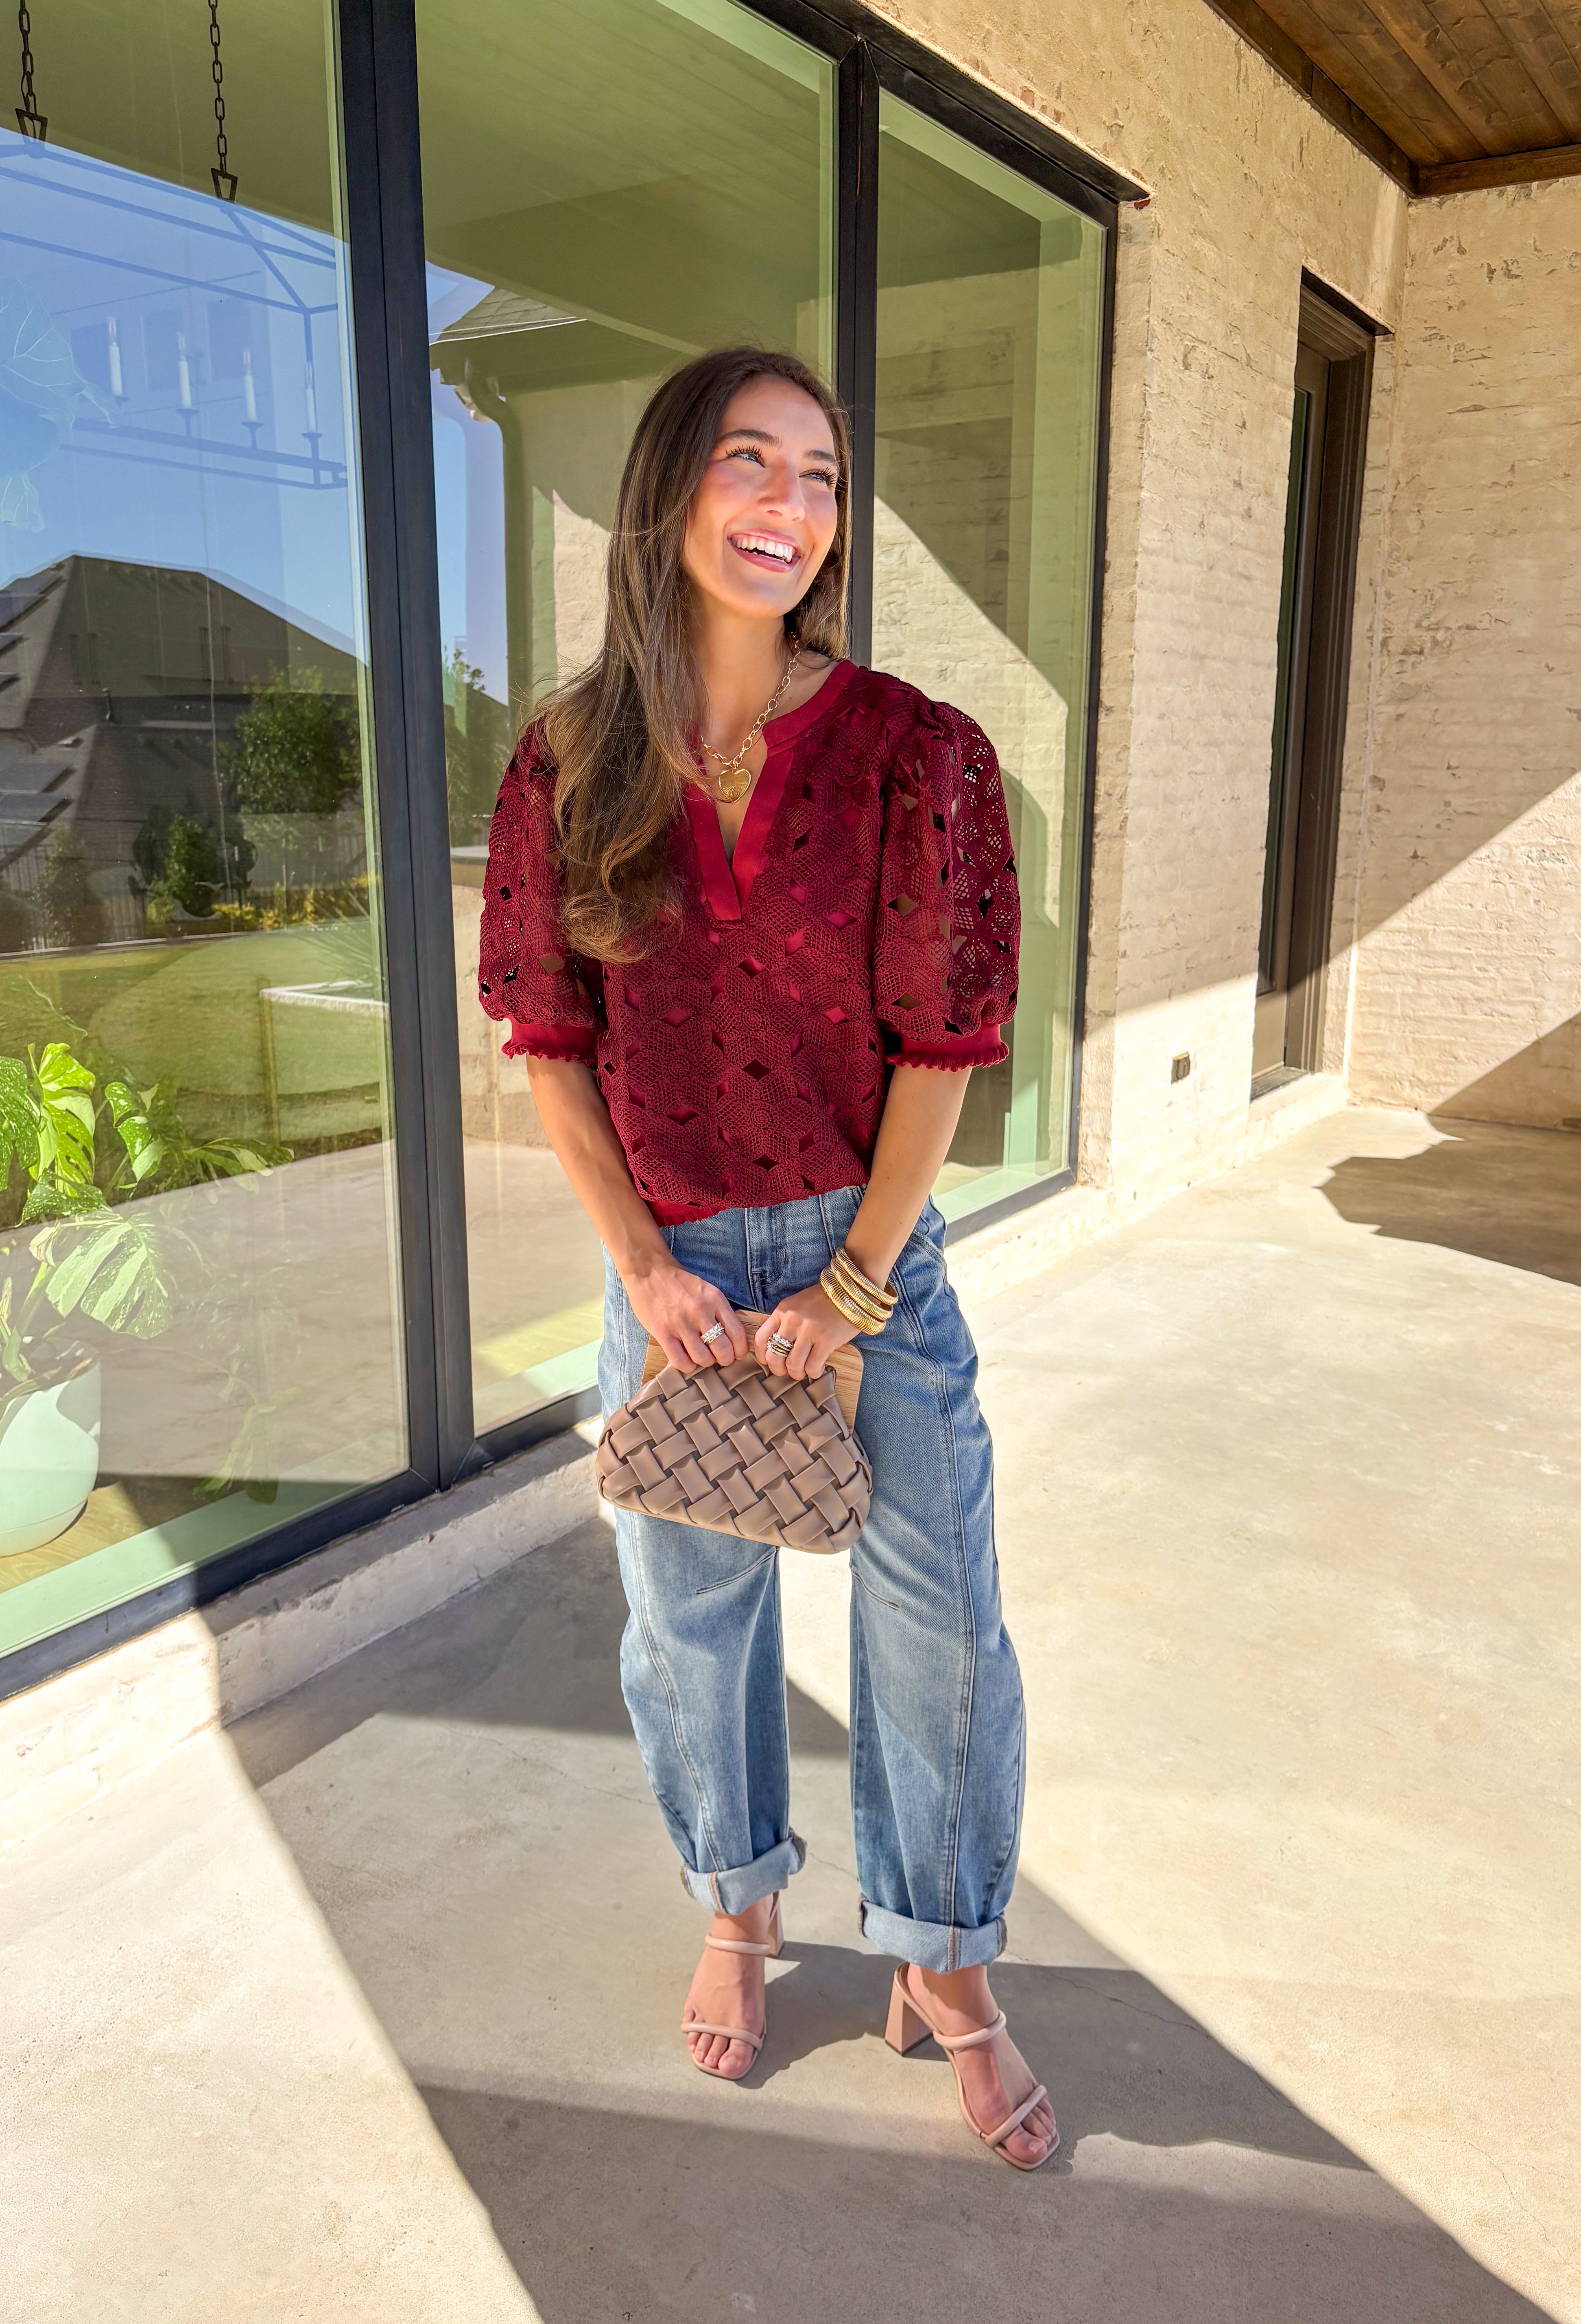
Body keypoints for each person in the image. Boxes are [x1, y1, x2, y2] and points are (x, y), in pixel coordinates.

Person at [478, 345, 1056, 2170]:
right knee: (690, 1619)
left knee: (938, 1619)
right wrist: (646, 1272)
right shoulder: (568, 761)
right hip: (672, 1270)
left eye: (820, 478)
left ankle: (940, 1958)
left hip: (861, 1254)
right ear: (673, 493)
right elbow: (549, 1044)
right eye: (752, 463)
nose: (791, 510)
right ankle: (740, 1907)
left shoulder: (914, 756)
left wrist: (853, 1290)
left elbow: (946, 1048)